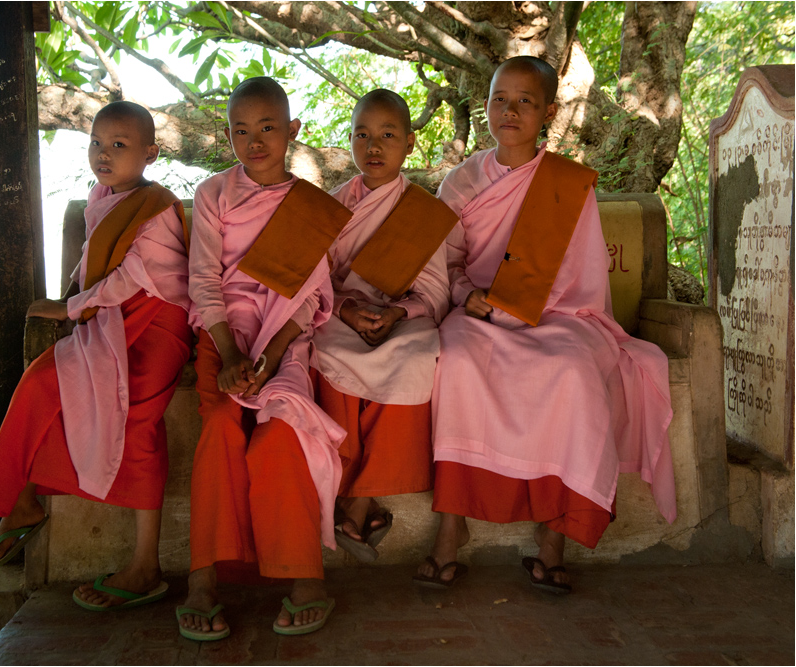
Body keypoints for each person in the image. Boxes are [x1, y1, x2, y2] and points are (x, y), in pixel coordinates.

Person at [416, 56, 676, 593]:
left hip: (558, 315)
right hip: (480, 315)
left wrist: (526, 306)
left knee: (574, 371)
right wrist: (471, 296)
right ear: (484, 105)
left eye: (525, 102)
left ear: (549, 113)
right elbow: (448, 266)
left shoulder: (566, 185)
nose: (509, 111)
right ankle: (450, 526)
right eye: (498, 99)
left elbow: (581, 281)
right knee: (458, 361)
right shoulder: (461, 182)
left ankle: (553, 538)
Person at [0, 101, 193, 612]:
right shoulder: (102, 197)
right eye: (98, 143)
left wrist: (69, 307)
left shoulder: (156, 204)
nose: (105, 154)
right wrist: (77, 301)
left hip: (158, 322)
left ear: (150, 153)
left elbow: (134, 275)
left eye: (120, 145)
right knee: (41, 380)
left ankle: (145, 564)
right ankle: (21, 500)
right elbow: (98, 262)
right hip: (112, 318)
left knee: (136, 420)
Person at [177, 77, 350, 640]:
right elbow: (203, 280)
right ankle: (202, 579)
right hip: (222, 333)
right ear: (226, 135)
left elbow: (312, 297)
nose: (255, 142)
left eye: (268, 128)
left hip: (284, 338)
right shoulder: (213, 195)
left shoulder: (310, 206)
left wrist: (273, 356)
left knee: (280, 433)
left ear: (292, 131)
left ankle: (305, 577)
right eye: (241, 131)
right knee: (223, 427)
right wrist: (229, 355)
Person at [311, 89, 452, 561]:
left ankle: (358, 500)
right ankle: (358, 498)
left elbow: (435, 290)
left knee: (415, 356)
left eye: (387, 135)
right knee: (329, 350)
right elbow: (313, 281)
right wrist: (348, 310)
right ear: (349, 142)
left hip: (399, 314)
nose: (374, 146)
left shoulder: (423, 212)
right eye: (362, 135)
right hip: (340, 312)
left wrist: (397, 313)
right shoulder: (329, 207)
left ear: (410, 143)